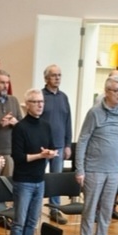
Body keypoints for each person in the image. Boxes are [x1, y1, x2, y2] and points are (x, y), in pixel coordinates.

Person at [75, 75, 118, 235]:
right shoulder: (94, 113)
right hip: (93, 169)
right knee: (90, 209)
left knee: (107, 210)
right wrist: (80, 169)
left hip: (114, 171)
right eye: (116, 91)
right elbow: (82, 140)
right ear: (107, 92)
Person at [9, 89, 57, 235]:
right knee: (19, 221)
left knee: (32, 220)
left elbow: (52, 148)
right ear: (27, 105)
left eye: (41, 102)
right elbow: (18, 157)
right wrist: (40, 155)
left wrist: (51, 153)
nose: (40, 105)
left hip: (39, 179)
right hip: (23, 181)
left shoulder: (46, 126)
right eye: (35, 102)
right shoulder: (20, 128)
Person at [39, 64, 73, 219]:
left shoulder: (63, 97)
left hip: (59, 146)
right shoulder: (40, 96)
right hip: (42, 147)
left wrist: (68, 145)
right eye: (54, 75)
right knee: (38, 178)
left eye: (59, 75)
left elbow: (68, 122)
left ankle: (54, 209)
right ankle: (35, 207)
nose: (57, 78)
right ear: (46, 78)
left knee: (56, 178)